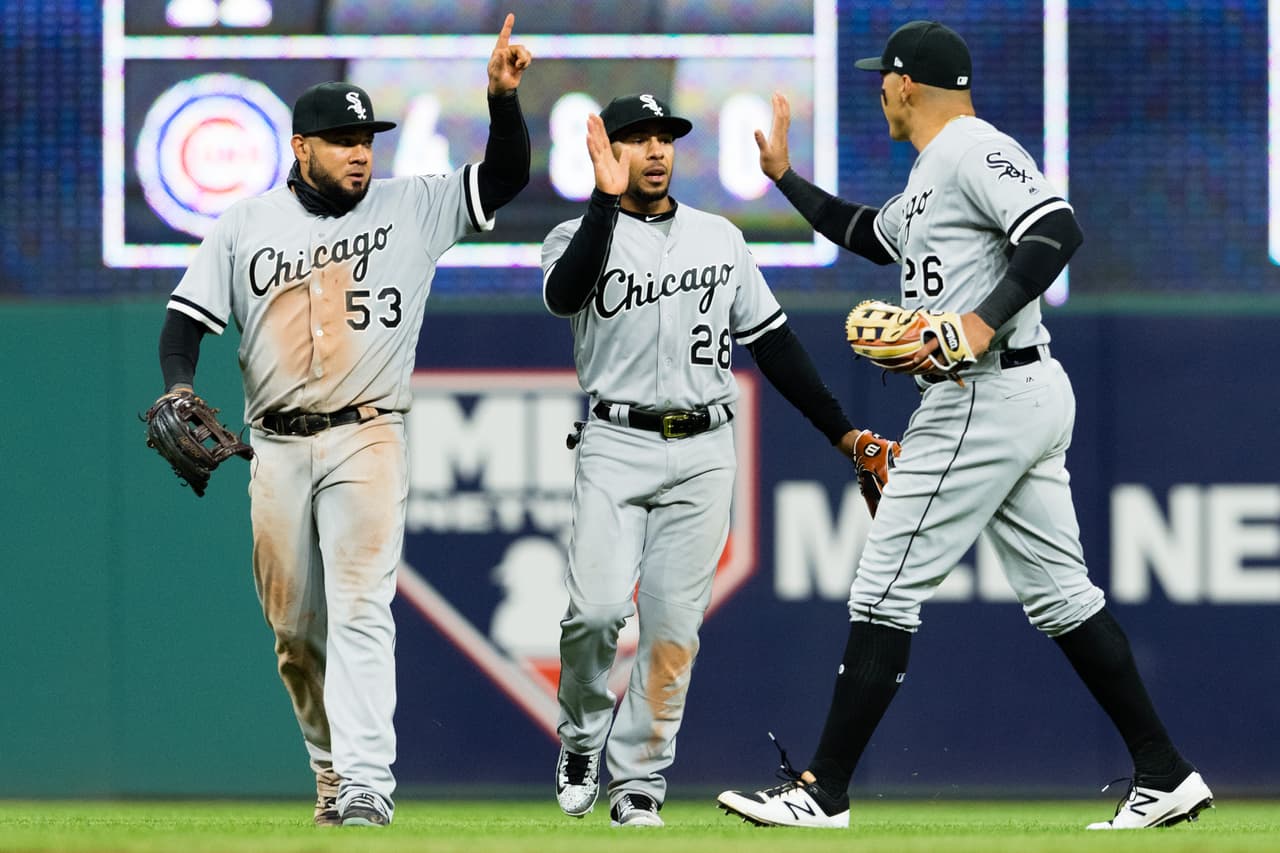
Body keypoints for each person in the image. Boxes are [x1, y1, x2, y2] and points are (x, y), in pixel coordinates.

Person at [716, 20, 1212, 831]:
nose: (879, 89)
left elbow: (1057, 229)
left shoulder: (975, 148)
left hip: (984, 389)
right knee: (1063, 597)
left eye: (884, 77)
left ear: (907, 83)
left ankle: (823, 789)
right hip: (1014, 392)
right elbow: (863, 232)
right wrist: (784, 179)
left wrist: (978, 324)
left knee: (884, 584)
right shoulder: (929, 173)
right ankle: (1165, 771)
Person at [152, 14, 531, 828]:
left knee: (362, 607)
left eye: (366, 138)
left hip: (369, 433)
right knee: (294, 631)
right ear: (301, 147)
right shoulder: (244, 224)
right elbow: (183, 324)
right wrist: (179, 385)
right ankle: (329, 767)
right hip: (276, 445)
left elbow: (504, 176)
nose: (361, 152)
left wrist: (502, 100)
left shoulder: (413, 206)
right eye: (342, 139)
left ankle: (366, 781)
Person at [540, 93, 894, 828]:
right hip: (616, 440)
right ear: (608, 151)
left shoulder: (720, 239)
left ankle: (639, 782)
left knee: (672, 634)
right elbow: (563, 294)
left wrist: (843, 434)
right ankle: (580, 737)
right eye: (638, 138)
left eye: (665, 137)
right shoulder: (574, 235)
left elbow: (776, 345)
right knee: (596, 614)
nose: (656, 151)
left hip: (704, 448)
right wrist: (603, 202)